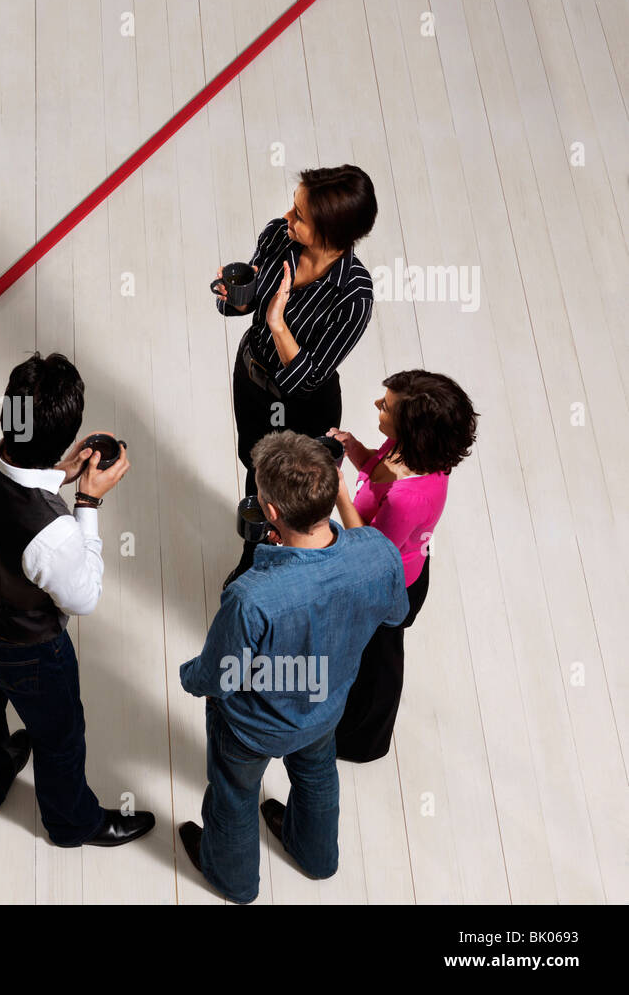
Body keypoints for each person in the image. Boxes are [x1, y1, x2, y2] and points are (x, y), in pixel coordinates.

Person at [177, 431, 408, 904]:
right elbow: (396, 614)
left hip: (250, 727)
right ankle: (316, 856)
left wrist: (188, 675)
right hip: (326, 707)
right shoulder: (378, 553)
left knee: (235, 798)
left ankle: (233, 881)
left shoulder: (251, 597)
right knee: (317, 775)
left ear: (273, 514)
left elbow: (218, 677)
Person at [0, 352, 155, 848]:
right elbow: (84, 596)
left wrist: (54, 470)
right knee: (59, 738)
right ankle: (72, 823)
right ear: (65, 436)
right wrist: (88, 502)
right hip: (26, 650)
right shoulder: (52, 534)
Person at [214, 165, 378, 587]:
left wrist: (277, 322)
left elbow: (306, 380)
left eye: (300, 214)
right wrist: (233, 299)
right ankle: (254, 558)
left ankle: (292, 573)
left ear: (332, 233)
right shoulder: (277, 236)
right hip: (250, 381)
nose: (288, 216)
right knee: (254, 467)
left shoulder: (354, 297)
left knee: (296, 497)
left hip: (303, 409)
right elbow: (243, 302)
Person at [329, 370, 478, 762]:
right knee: (371, 655)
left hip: (390, 588)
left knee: (379, 664)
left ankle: (363, 743)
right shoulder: (403, 448)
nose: (378, 406)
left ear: (414, 430)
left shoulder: (408, 498)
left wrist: (338, 491)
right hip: (391, 571)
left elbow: (368, 549)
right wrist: (356, 450)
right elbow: (374, 474)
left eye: (387, 407)